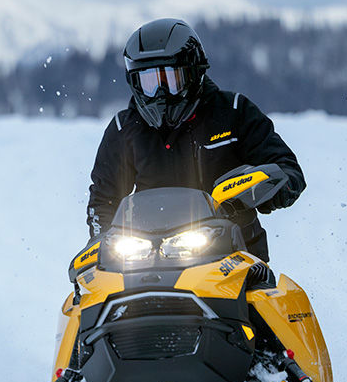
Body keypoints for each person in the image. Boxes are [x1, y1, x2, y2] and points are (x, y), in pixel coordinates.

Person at [87, 18, 305, 262]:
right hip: (148, 259)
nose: (160, 93)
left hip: (234, 255)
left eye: (170, 80)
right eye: (149, 83)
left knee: (268, 299)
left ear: (194, 73)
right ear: (134, 83)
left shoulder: (233, 111)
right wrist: (102, 241)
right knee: (92, 296)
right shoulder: (124, 129)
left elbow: (287, 169)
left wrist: (266, 188)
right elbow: (104, 200)